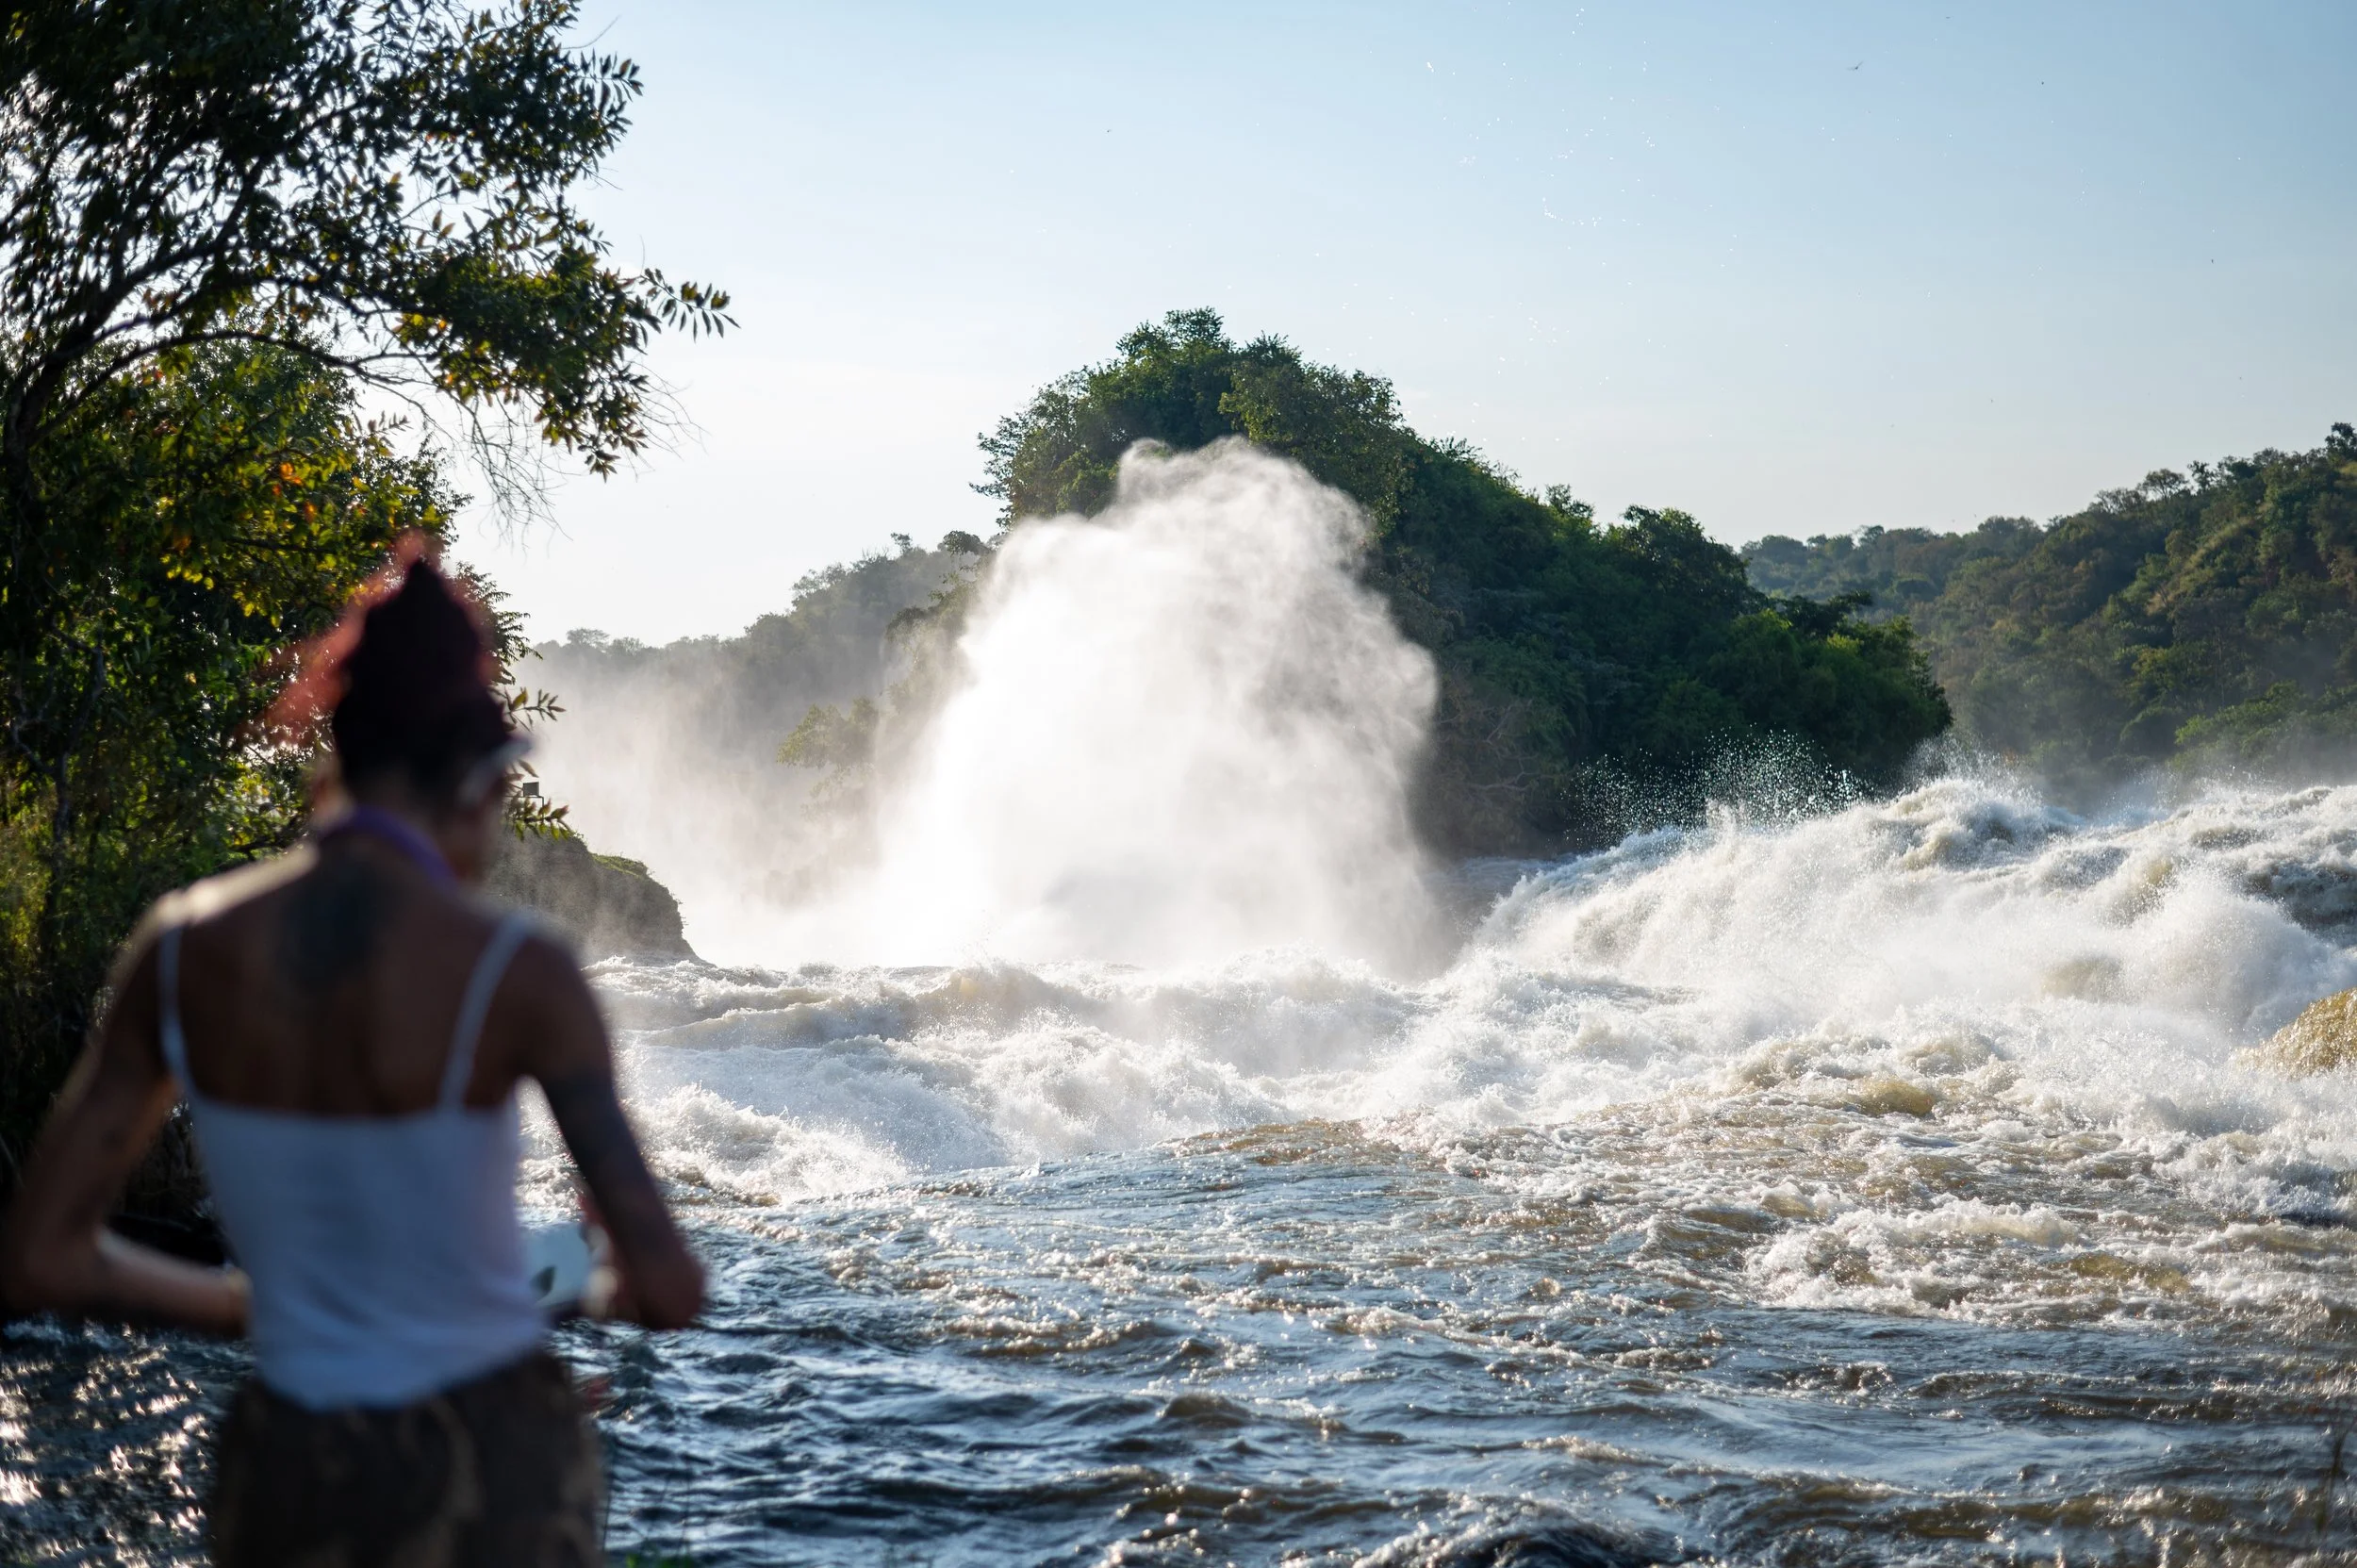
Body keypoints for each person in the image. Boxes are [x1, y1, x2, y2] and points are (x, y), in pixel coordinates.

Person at [0, 549, 702, 1566]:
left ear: (338, 758)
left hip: (290, 1471)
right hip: (493, 1464)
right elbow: (669, 1289)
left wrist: (249, 1302)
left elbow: (38, 1255)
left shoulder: (184, 946)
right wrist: (588, 1282)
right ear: (481, 779)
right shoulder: (520, 972)